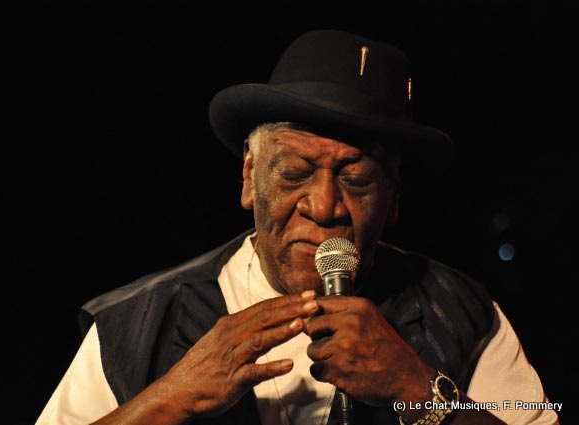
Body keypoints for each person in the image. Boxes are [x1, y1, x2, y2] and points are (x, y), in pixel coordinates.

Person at [36, 30, 559, 425]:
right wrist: (171, 397)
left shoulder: (463, 311)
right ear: (249, 176)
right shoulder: (138, 321)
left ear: (395, 197)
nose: (325, 206)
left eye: (357, 179)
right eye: (294, 173)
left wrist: (419, 390)